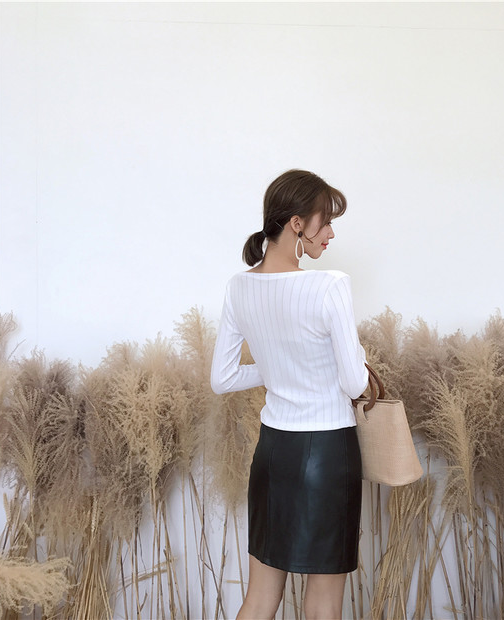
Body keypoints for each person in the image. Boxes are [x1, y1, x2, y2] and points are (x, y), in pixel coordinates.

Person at [210, 169, 369, 620]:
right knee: (323, 605)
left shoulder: (239, 287)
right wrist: (334, 359)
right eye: (326, 221)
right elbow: (354, 383)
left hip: (273, 452)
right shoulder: (330, 285)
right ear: (297, 224)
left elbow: (223, 378)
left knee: (259, 599)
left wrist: (278, 366)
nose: (332, 233)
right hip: (328, 453)